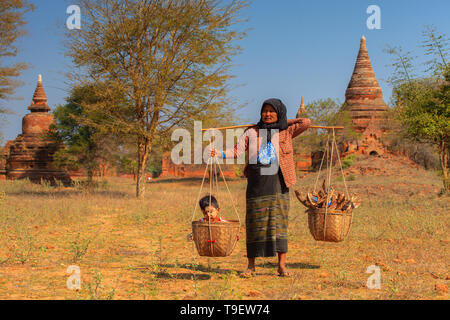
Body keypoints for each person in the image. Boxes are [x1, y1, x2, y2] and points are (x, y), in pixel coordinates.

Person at [210, 98, 310, 277]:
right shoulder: (251, 132)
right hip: (257, 183)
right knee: (254, 224)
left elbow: (306, 122)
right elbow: (237, 152)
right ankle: (250, 266)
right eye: (265, 111)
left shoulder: (286, 131)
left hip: (279, 182)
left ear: (279, 113)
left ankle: (281, 266)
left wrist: (282, 122)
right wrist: (219, 153)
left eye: (272, 111)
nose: (268, 114)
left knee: (279, 224)